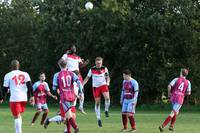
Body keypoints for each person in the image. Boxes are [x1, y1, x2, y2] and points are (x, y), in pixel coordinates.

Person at [0, 59, 35, 133]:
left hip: (15, 98)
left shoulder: (8, 75)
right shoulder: (25, 74)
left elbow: (5, 89)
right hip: (24, 98)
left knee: (16, 117)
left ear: (11, 67)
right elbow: (30, 86)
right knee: (18, 115)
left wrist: (2, 98)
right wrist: (32, 96)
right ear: (18, 66)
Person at [58, 44, 89, 114]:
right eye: (72, 48)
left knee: (81, 90)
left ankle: (81, 106)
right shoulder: (66, 55)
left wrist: (85, 63)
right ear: (69, 49)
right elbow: (59, 62)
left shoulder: (77, 57)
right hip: (71, 76)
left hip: (78, 75)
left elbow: (81, 65)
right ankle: (67, 108)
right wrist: (63, 70)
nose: (74, 49)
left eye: (74, 47)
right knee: (73, 92)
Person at [56, 60, 83, 133]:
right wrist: (81, 92)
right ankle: (68, 131)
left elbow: (54, 87)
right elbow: (79, 83)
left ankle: (75, 127)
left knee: (68, 115)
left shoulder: (57, 74)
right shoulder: (72, 74)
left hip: (64, 97)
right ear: (67, 65)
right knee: (68, 115)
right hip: (72, 97)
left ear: (59, 66)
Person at [83, 57, 110, 127]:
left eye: (100, 63)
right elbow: (87, 78)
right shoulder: (92, 69)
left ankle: (106, 110)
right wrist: (82, 85)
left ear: (102, 63)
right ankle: (99, 119)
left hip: (103, 85)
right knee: (97, 103)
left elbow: (107, 77)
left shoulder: (105, 68)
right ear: (95, 63)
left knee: (107, 98)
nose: (99, 64)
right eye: (98, 63)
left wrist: (108, 82)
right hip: (95, 87)